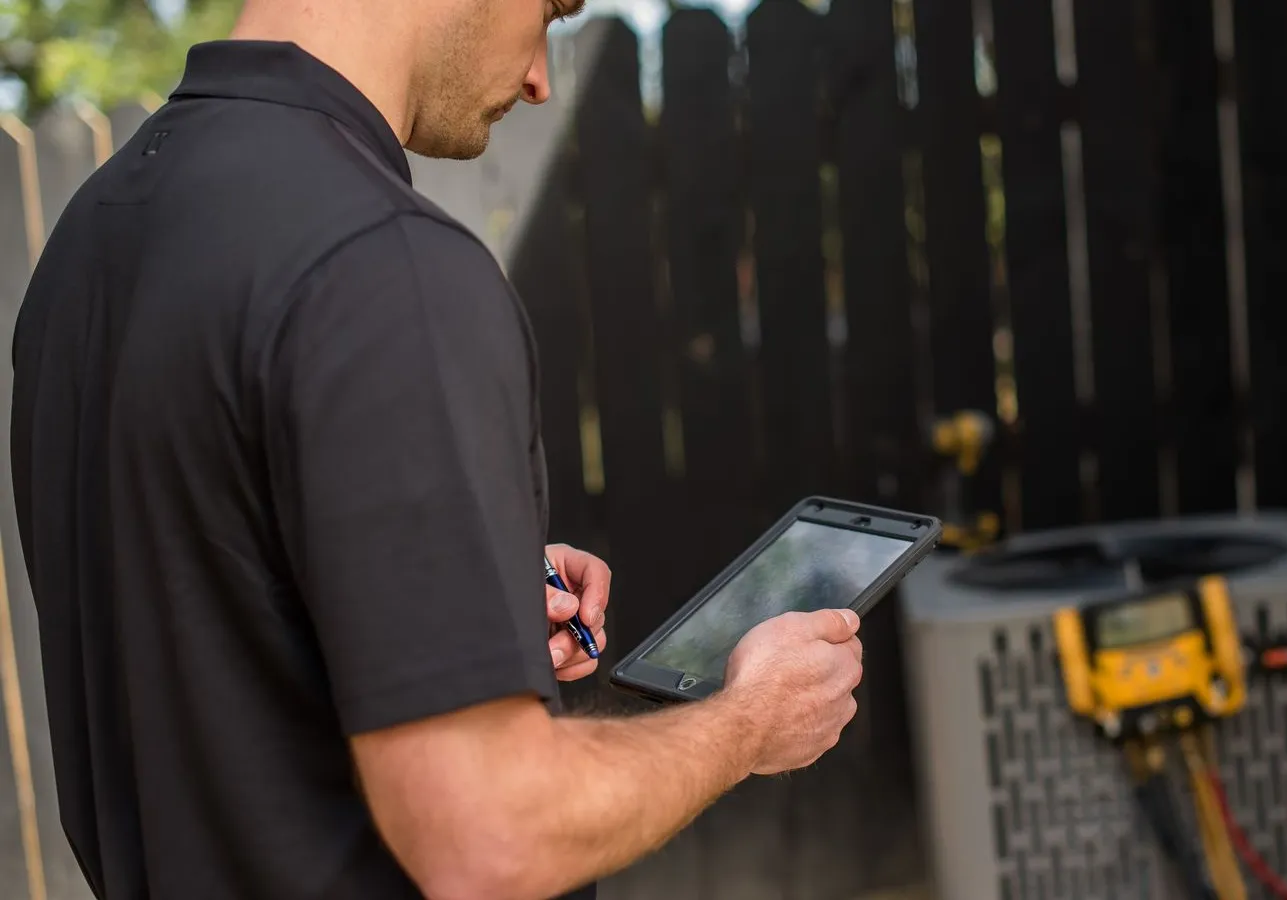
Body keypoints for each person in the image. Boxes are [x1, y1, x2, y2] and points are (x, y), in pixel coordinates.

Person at [7, 0, 865, 897]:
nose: (540, 76)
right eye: (549, 10)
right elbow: (492, 838)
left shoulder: (90, 239)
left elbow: (210, 623)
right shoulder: (383, 263)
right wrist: (747, 722)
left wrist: (447, 604)